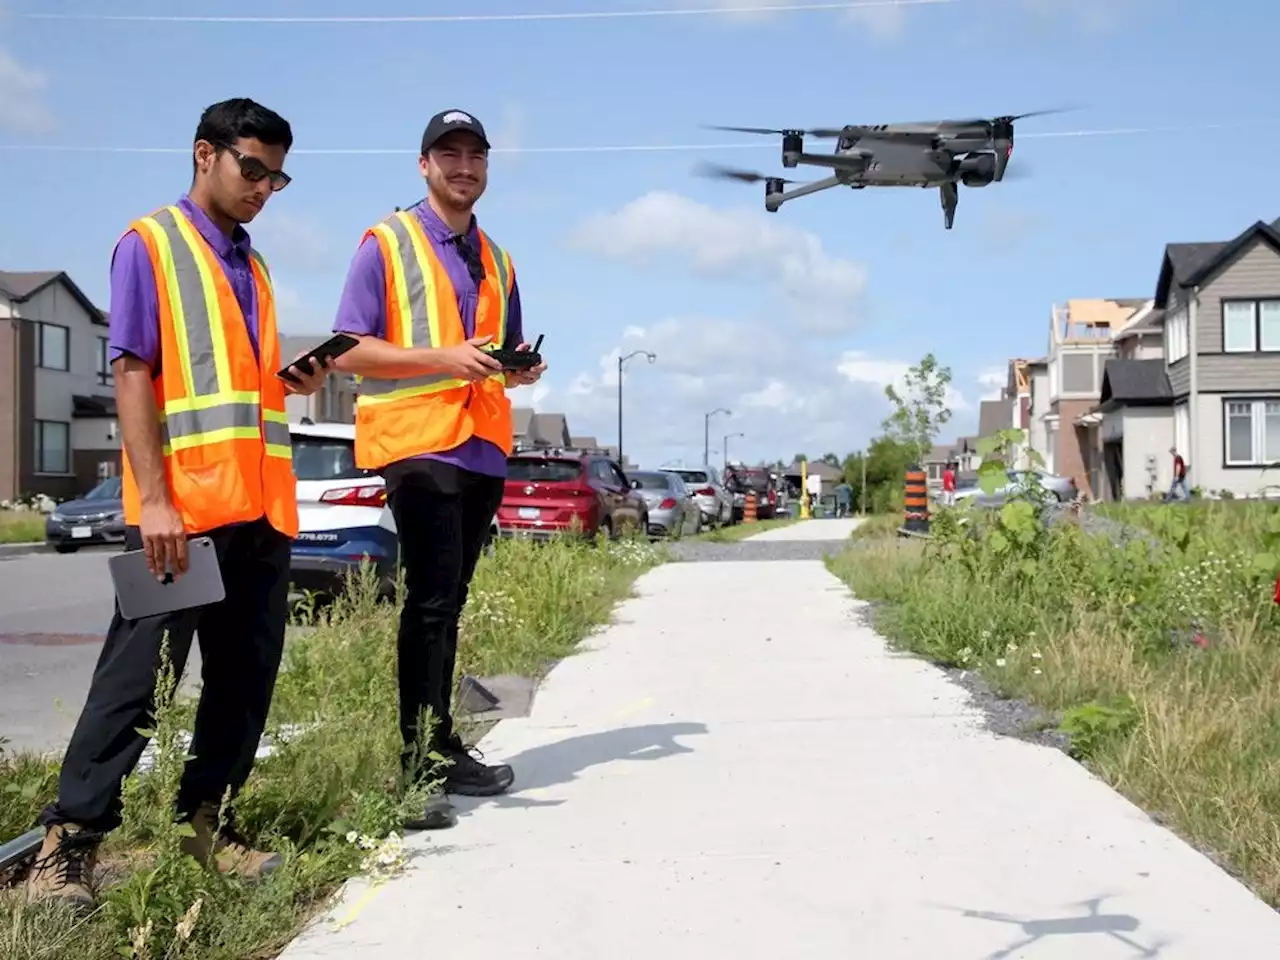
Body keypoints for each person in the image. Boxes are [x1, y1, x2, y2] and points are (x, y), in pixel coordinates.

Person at [26, 98, 330, 908]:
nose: (265, 187)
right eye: (252, 168)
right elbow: (132, 373)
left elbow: (235, 389)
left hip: (260, 512)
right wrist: (153, 500)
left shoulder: (253, 264)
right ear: (206, 154)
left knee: (243, 681)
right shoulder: (149, 244)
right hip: (182, 514)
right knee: (136, 680)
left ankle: (208, 828)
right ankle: (68, 845)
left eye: (278, 175)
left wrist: (296, 383)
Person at [330, 109, 545, 830]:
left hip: (480, 447)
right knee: (428, 600)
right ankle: (417, 763)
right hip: (415, 445)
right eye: (447, 154)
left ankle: (443, 747)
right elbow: (347, 349)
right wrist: (441, 359)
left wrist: (519, 370)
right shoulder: (384, 243)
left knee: (448, 602)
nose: (463, 166)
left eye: (475, 155)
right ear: (423, 165)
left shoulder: (501, 258)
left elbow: (495, 353)